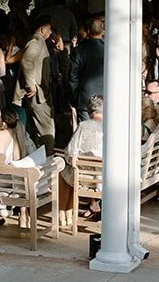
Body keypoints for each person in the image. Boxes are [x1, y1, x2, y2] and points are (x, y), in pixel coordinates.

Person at [59, 94, 104, 222]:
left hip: (84, 178)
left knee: (62, 172)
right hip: (106, 178)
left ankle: (63, 215)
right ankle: (67, 214)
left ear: (88, 111)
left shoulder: (83, 126)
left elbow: (69, 153)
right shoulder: (112, 127)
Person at [16, 17, 55, 149]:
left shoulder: (39, 42)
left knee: (40, 125)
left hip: (39, 89)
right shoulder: (36, 42)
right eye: (49, 30)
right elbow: (27, 61)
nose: (50, 33)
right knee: (46, 126)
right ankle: (48, 155)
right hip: (38, 91)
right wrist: (30, 83)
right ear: (42, 29)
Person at [69, 15, 106, 119]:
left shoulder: (79, 50)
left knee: (87, 131)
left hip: (85, 98)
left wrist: (74, 98)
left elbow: (73, 78)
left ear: (88, 31)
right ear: (102, 31)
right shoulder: (109, 49)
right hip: (106, 97)